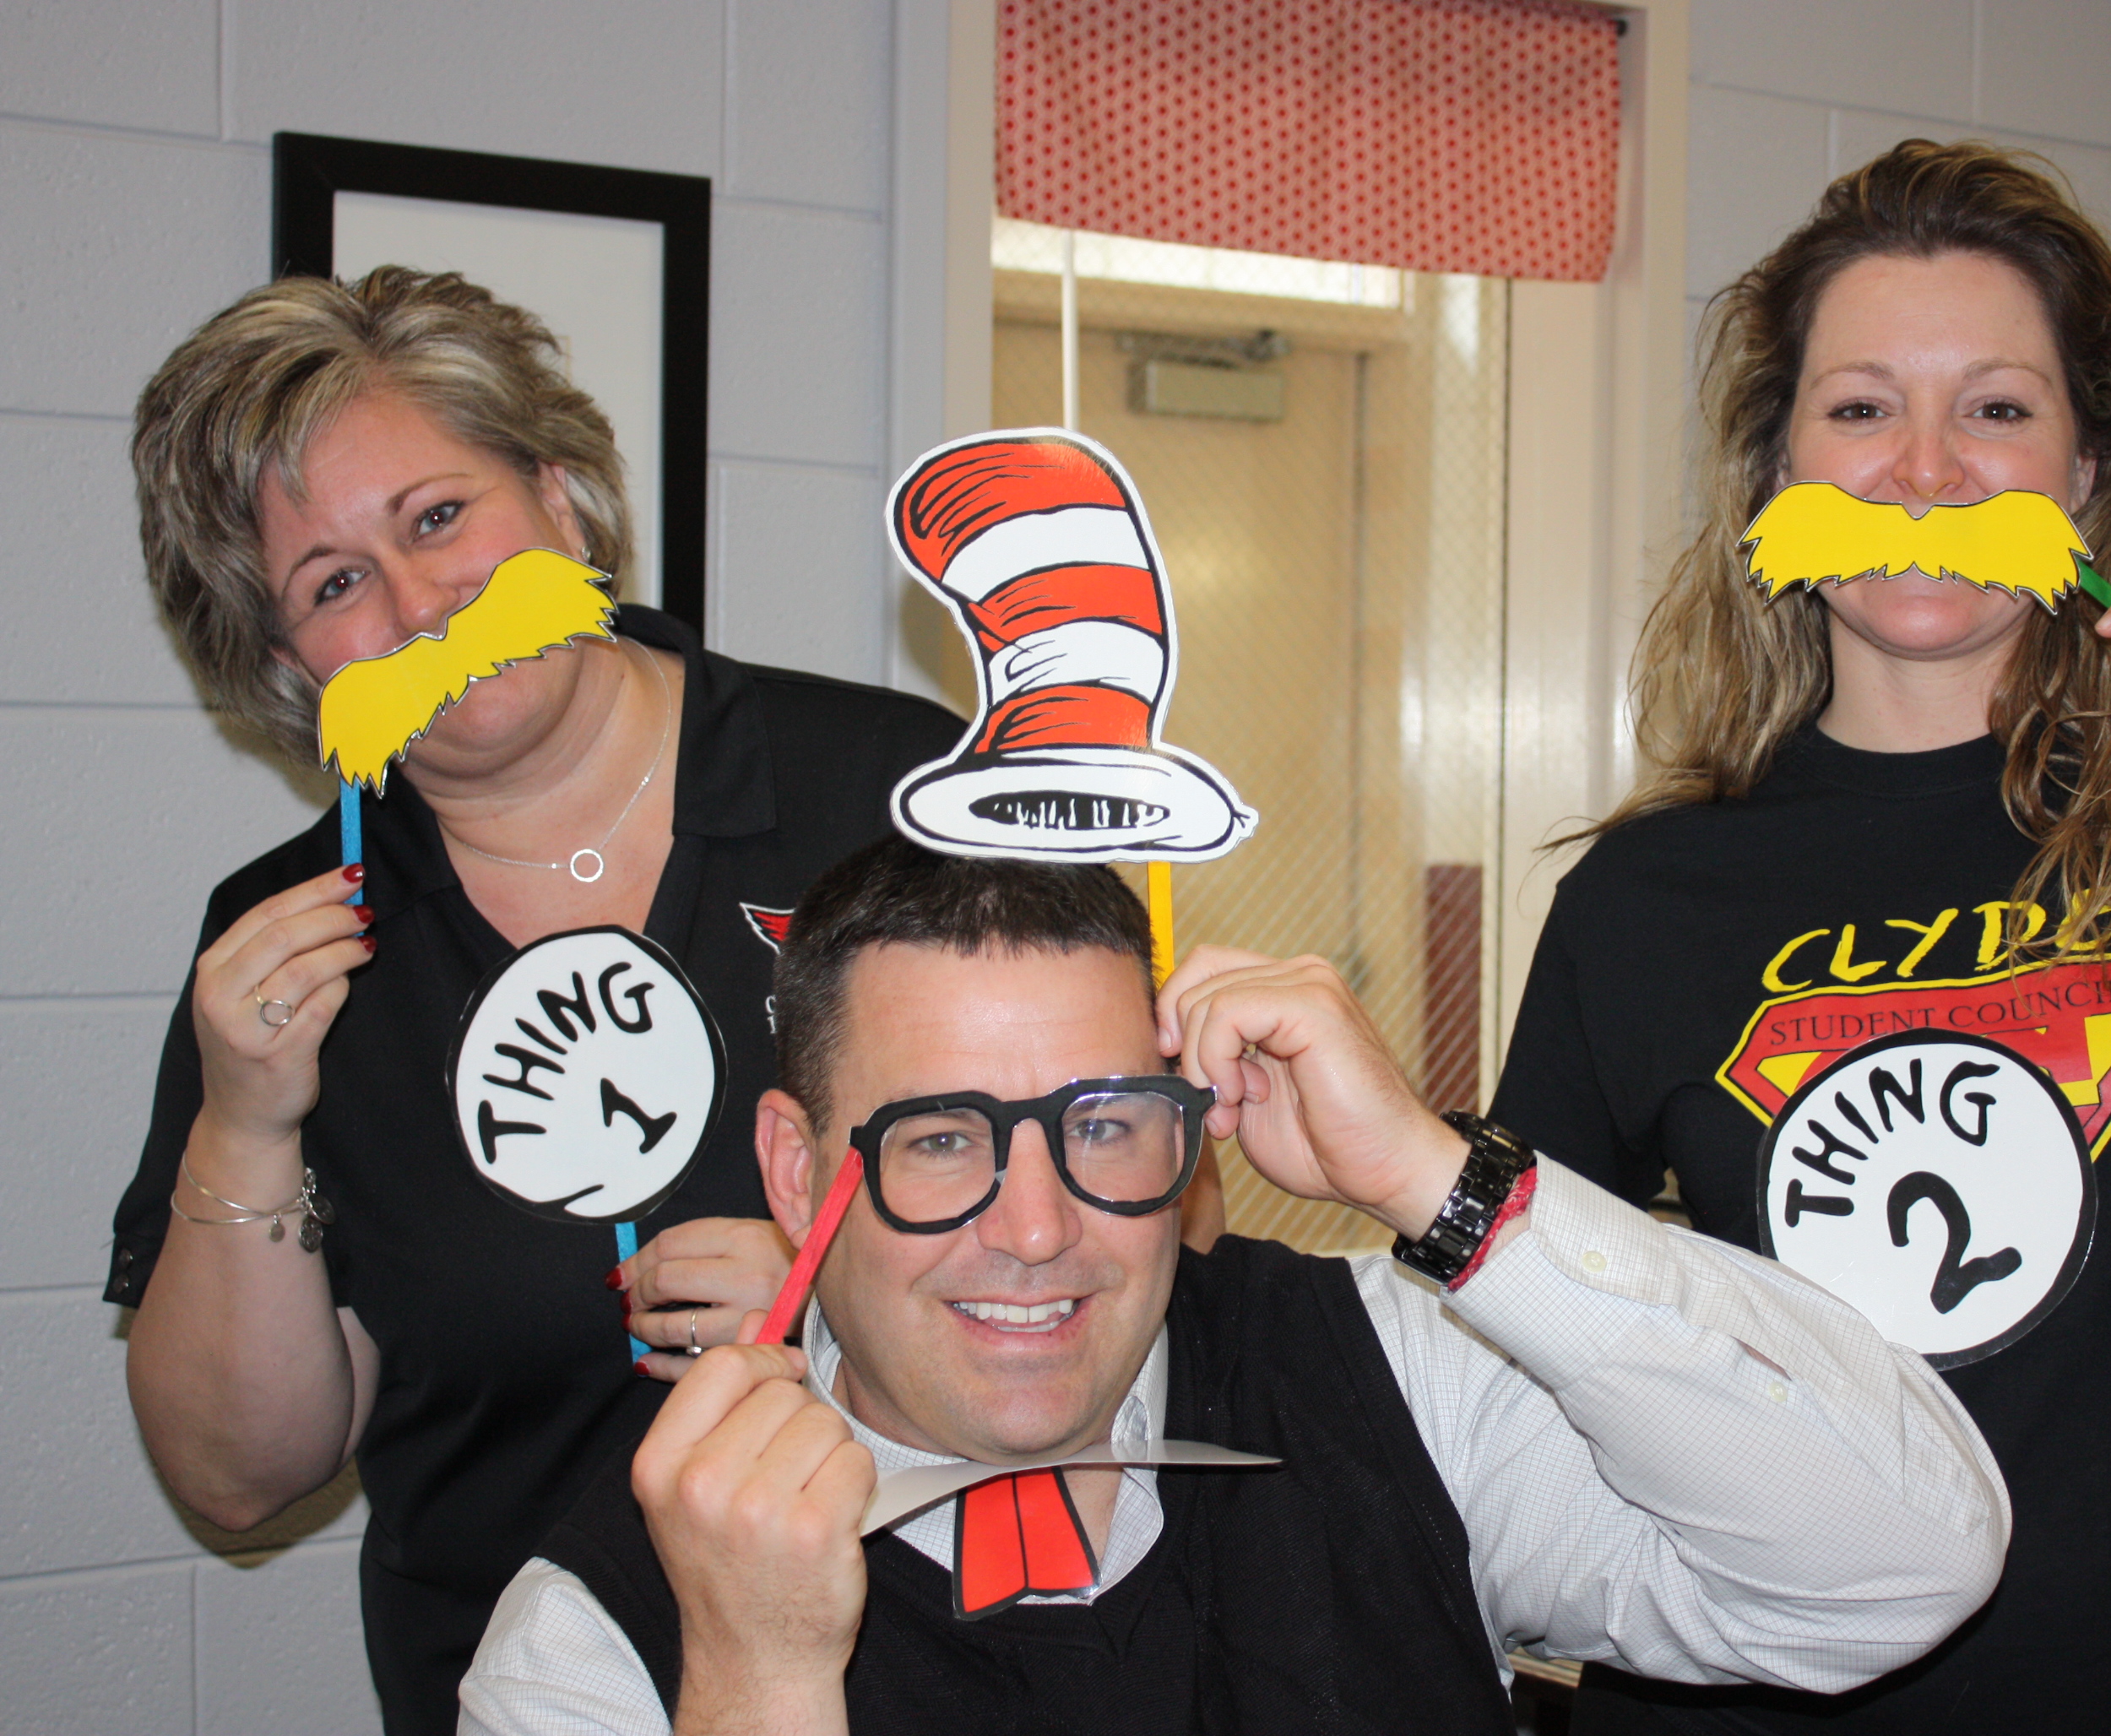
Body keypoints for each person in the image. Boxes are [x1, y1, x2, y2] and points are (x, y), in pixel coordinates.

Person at [1489, 141, 2111, 1734]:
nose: (1924, 473)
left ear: (2086, 470)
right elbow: (1525, 1346)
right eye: (1859, 410)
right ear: (1776, 473)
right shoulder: (1645, 895)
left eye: (1994, 409)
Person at [458, 836, 2012, 1733]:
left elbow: (1900, 1568)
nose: (1037, 1229)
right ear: (800, 1176)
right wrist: (755, 1679)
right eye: (941, 1141)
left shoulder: (1384, 1377)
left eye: (1101, 1127)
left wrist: (1443, 1185)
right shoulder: (602, 1631)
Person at [105, 269, 969, 1733]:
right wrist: (245, 1123)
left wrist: (858, 1300)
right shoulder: (288, 946)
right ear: (289, 667)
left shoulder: (894, 788)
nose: (415, 607)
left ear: (562, 502)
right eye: (331, 585)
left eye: (440, 517)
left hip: (937, 1675)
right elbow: (240, 1478)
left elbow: (1164, 1227)